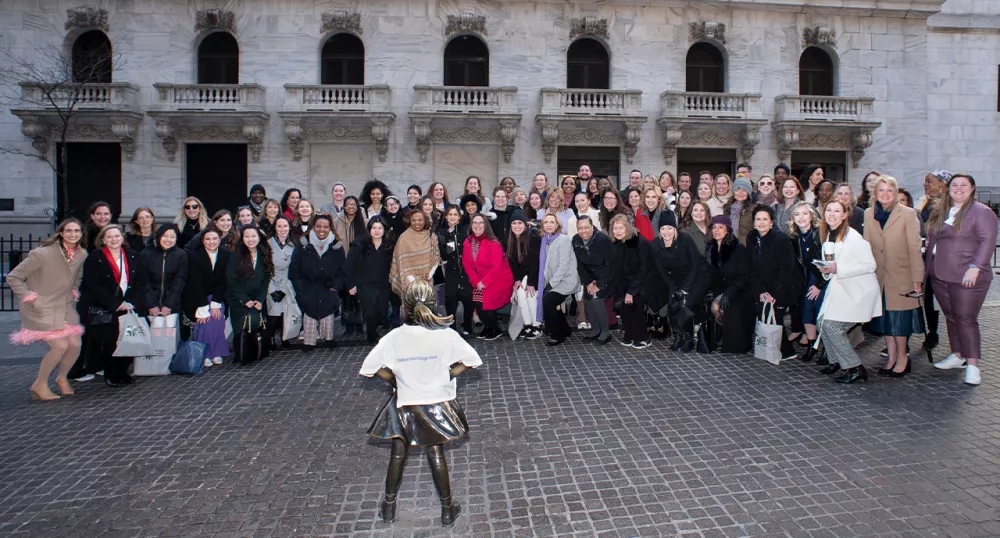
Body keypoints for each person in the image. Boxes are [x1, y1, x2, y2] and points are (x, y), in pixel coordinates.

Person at [359, 280, 481, 528]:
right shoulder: (446, 335)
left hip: (406, 401)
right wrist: (447, 374)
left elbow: (369, 368)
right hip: (436, 402)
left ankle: (388, 507)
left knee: (397, 454)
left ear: (405, 307)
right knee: (436, 453)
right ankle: (447, 510)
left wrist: (395, 380)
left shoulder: (395, 336)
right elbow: (472, 360)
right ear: (434, 305)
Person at [925, 173, 998, 386]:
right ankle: (958, 355)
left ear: (972, 188)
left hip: (967, 275)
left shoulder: (982, 213)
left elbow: (987, 241)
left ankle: (973, 365)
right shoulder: (942, 210)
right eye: (954, 185)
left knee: (966, 318)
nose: (958, 188)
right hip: (940, 274)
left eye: (963, 185)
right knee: (951, 316)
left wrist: (976, 267)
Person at [7, 218, 88, 400]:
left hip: (65, 307)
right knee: (60, 346)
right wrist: (30, 297)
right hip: (42, 307)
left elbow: (77, 277)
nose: (73, 234)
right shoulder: (42, 254)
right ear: (61, 233)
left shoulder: (81, 254)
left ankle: (61, 378)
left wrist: (73, 290)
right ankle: (40, 383)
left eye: (77, 231)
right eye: (69, 231)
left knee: (75, 344)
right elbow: (13, 277)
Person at [864, 176, 925, 378]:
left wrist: (917, 279)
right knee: (886, 324)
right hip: (879, 277)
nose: (885, 195)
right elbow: (868, 246)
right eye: (881, 190)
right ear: (875, 193)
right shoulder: (869, 213)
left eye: (890, 191)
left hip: (901, 276)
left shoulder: (907, 214)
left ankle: (902, 359)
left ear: (896, 193)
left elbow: (914, 248)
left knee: (899, 323)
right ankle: (890, 358)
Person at [815, 200, 881, 383]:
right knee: (822, 322)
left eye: (837, 211)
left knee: (833, 327)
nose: (832, 214)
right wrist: (827, 270)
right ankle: (836, 360)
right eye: (829, 210)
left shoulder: (853, 237)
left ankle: (855, 367)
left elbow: (870, 265)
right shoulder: (828, 235)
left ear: (845, 215)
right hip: (841, 288)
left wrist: (838, 267)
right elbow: (833, 267)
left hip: (858, 291)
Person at [79, 224, 147, 387]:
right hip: (108, 306)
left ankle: (123, 371)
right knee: (110, 342)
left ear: (122, 238)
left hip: (129, 305)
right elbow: (93, 286)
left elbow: (140, 282)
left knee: (129, 339)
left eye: (117, 236)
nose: (114, 239)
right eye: (109, 237)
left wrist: (132, 302)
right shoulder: (95, 258)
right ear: (103, 240)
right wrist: (115, 303)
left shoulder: (133, 256)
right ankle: (111, 374)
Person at [746, 204, 803, 361]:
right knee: (767, 316)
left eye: (765, 219)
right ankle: (779, 348)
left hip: (783, 285)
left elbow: (787, 270)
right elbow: (752, 266)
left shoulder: (780, 239)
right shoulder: (751, 237)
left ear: (772, 222)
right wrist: (761, 290)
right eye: (758, 219)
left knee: (776, 317)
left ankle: (786, 351)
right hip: (763, 285)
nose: (761, 222)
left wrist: (773, 294)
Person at [651, 219, 712, 352]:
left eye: (670, 228)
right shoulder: (656, 244)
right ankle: (678, 336)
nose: (666, 232)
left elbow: (695, 266)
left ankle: (688, 338)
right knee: (672, 304)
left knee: (686, 303)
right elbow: (662, 271)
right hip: (677, 277)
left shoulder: (685, 239)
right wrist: (673, 288)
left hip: (699, 275)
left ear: (675, 229)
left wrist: (684, 290)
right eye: (663, 228)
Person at [608, 214, 667, 349]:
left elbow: (643, 270)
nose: (617, 231)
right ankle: (629, 335)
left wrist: (631, 291)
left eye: (621, 227)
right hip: (630, 281)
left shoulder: (639, 242)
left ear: (628, 227)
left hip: (647, 282)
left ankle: (643, 338)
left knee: (636, 305)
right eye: (615, 228)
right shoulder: (618, 242)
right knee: (625, 308)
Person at [289, 214, 346, 352]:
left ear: (330, 228)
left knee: (328, 313)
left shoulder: (337, 246)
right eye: (319, 226)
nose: (322, 229)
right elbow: (294, 271)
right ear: (313, 227)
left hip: (328, 288)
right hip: (308, 288)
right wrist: (301, 290)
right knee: (309, 313)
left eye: (326, 227)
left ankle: (328, 339)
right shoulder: (303, 246)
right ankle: (309, 342)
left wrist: (335, 288)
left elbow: (342, 271)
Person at [182, 224, 229, 367]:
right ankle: (205, 353)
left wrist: (216, 302)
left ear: (219, 239)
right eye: (208, 239)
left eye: (214, 238)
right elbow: (195, 282)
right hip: (198, 297)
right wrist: (204, 305)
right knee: (204, 323)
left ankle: (217, 351)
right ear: (203, 240)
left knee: (217, 319)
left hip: (218, 296)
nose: (211, 242)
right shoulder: (194, 256)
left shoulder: (225, 254)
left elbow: (224, 280)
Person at [226, 224, 273, 364]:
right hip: (238, 298)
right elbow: (231, 280)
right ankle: (242, 355)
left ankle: (257, 352)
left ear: (259, 237)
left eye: (253, 236)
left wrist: (260, 299)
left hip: (257, 297)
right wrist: (244, 299)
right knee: (241, 328)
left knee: (256, 325)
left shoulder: (264, 253)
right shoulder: (236, 255)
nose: (250, 239)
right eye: (247, 236)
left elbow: (266, 279)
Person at [462, 213, 513, 340]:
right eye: (475, 223)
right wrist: (476, 281)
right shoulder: (468, 242)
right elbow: (467, 264)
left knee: (484, 299)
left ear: (486, 225)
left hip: (500, 278)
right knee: (476, 300)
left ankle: (495, 329)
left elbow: (497, 267)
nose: (477, 226)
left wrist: (484, 282)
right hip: (480, 278)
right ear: (471, 225)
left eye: (481, 223)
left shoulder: (493, 243)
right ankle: (489, 326)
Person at [707, 216, 754, 354]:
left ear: (728, 230)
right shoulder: (712, 248)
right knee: (715, 306)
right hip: (723, 288)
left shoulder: (738, 249)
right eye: (714, 227)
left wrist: (728, 293)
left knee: (726, 307)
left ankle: (736, 339)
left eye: (720, 227)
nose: (716, 230)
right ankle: (726, 335)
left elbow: (744, 276)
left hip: (740, 289)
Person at [347, 217, 396, 344]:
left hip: (384, 283)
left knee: (382, 311)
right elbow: (349, 265)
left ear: (384, 230)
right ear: (369, 229)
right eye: (374, 228)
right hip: (365, 284)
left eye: (380, 228)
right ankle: (371, 337)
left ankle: (373, 329)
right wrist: (351, 284)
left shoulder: (390, 245)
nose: (377, 231)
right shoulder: (359, 244)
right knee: (370, 311)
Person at [787, 202, 826, 361]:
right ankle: (812, 346)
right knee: (806, 313)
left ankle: (826, 348)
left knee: (820, 313)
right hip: (804, 279)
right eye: (797, 214)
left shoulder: (821, 234)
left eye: (805, 213)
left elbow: (827, 264)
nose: (801, 217)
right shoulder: (793, 237)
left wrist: (819, 285)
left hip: (820, 279)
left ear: (812, 215)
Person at [917, 170, 951, 351]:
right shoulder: (923, 201)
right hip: (924, 257)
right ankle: (932, 331)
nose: (926, 185)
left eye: (930, 181)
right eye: (925, 182)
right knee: (928, 297)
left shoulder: (948, 205)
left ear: (943, 183)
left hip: (939, 259)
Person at [537, 214, 580, 346]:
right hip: (556, 280)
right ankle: (565, 329)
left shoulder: (563, 239)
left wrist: (550, 285)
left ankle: (557, 334)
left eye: (552, 222)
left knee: (548, 301)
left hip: (567, 280)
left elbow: (564, 265)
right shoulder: (546, 239)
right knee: (549, 302)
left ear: (557, 225)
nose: (549, 225)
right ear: (543, 225)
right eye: (546, 222)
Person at [573, 216, 613, 345]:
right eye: (580, 228)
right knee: (588, 301)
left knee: (596, 300)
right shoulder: (576, 240)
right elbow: (579, 264)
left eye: (586, 227)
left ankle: (605, 333)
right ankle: (595, 330)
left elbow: (609, 264)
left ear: (592, 227)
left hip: (605, 276)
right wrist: (589, 282)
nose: (583, 231)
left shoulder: (602, 239)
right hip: (589, 277)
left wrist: (599, 284)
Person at [140, 224, 188, 325]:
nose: (168, 240)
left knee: (168, 338)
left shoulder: (181, 255)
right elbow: (143, 281)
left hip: (172, 305)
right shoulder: (146, 253)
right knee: (149, 337)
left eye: (172, 237)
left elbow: (179, 281)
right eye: (165, 236)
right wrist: (152, 304)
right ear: (158, 236)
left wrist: (169, 305)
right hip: (148, 304)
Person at [438, 206, 474, 336]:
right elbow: (443, 254)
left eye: (455, 214)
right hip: (451, 271)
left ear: (459, 217)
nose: (453, 217)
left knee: (468, 300)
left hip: (466, 271)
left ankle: (467, 325)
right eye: (450, 214)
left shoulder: (466, 230)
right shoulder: (442, 233)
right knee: (451, 300)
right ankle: (451, 327)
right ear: (446, 217)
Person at [390, 210, 440, 299]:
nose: (417, 223)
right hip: (409, 281)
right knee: (413, 309)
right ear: (410, 221)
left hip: (428, 279)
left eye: (420, 220)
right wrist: (413, 282)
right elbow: (401, 263)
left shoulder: (431, 236)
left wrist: (430, 275)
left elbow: (436, 257)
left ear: (425, 221)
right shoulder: (403, 238)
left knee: (428, 308)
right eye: (414, 220)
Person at [506, 213, 542, 339]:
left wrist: (531, 283)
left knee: (530, 295)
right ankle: (527, 325)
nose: (517, 226)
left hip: (536, 274)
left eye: (520, 223)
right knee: (521, 294)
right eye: (514, 223)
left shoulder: (532, 236)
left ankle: (537, 326)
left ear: (525, 225)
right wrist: (517, 280)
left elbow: (535, 262)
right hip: (524, 274)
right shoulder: (511, 240)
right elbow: (513, 263)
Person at [264, 217, 295, 352]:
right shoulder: (268, 245)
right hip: (273, 283)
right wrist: (271, 289)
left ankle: (285, 337)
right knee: (274, 314)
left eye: (285, 226)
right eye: (279, 226)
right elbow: (265, 268)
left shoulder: (293, 244)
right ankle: (270, 338)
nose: (283, 230)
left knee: (287, 312)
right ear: (275, 228)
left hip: (288, 283)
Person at [725, 178, 754, 245]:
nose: (740, 193)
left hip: (746, 247)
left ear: (748, 193)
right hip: (729, 246)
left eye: (744, 190)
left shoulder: (753, 209)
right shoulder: (727, 208)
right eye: (737, 190)